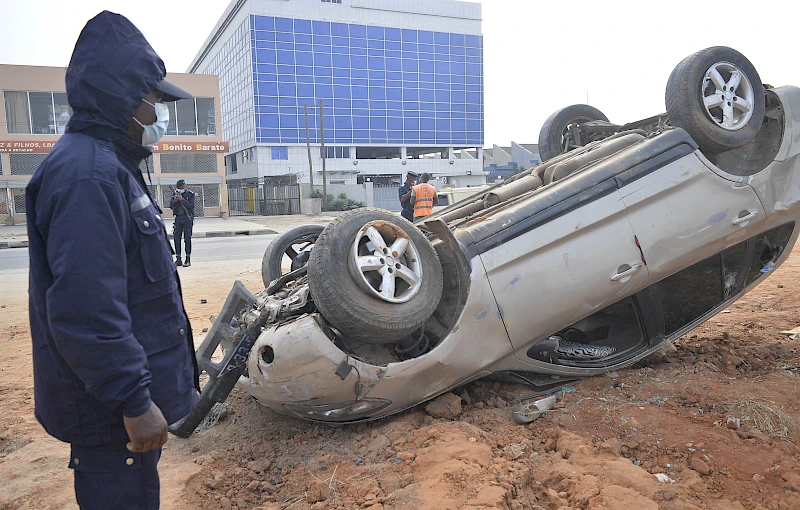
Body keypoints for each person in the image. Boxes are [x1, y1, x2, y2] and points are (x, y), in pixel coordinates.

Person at [25, 11, 199, 509]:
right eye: (154, 102)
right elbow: (86, 309)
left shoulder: (113, 165)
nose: (159, 114)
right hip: (111, 419)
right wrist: (134, 401)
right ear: (124, 99)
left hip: (117, 413)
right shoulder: (88, 175)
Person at [169, 179, 195, 267]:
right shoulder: (175, 194)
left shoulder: (190, 194)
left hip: (187, 218)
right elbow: (171, 206)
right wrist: (175, 201)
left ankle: (188, 259)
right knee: (177, 239)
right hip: (178, 219)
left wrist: (182, 200)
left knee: (187, 239)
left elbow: (191, 206)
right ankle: (178, 259)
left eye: (183, 186)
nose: (182, 187)